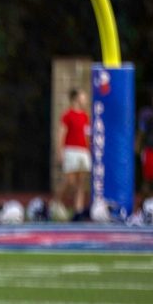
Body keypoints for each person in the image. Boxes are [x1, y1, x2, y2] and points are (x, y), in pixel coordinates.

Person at [56, 88, 91, 220]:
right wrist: (60, 151)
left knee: (81, 183)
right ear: (76, 98)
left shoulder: (85, 116)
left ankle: (78, 210)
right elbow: (61, 134)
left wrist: (89, 150)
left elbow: (87, 135)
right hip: (71, 150)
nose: (85, 100)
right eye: (83, 97)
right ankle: (57, 202)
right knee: (70, 181)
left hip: (83, 151)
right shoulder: (67, 115)